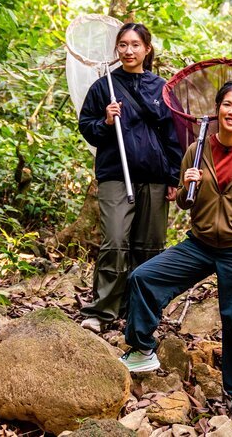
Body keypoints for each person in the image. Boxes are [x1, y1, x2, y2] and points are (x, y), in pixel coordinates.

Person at [119, 81, 232, 427]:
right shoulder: (197, 147)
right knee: (144, 277)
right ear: (217, 109)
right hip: (200, 243)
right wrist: (187, 184)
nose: (231, 111)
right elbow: (186, 202)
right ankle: (143, 349)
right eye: (226, 105)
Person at [78, 22, 183, 333]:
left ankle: (139, 311)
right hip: (115, 175)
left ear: (146, 49)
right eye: (122, 45)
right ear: (116, 49)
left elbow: (173, 135)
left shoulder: (162, 89)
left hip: (155, 176)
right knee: (115, 241)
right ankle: (103, 310)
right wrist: (106, 121)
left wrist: (174, 178)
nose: (128, 50)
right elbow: (88, 129)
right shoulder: (104, 87)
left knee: (149, 246)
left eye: (135, 44)